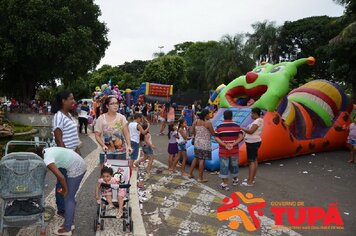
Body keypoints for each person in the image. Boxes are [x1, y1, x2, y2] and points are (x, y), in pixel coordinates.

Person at [35, 146, 86, 236]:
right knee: (69, 197)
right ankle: (70, 223)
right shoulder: (46, 151)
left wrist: (65, 190)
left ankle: (67, 229)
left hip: (77, 168)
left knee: (68, 197)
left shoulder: (47, 160)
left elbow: (61, 177)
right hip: (78, 163)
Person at [51, 91, 80, 218]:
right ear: (63, 101)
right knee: (62, 182)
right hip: (63, 156)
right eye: (71, 99)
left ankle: (67, 202)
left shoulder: (69, 115)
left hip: (72, 154)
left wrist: (78, 153)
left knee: (69, 181)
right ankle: (62, 208)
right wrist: (66, 156)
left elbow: (74, 136)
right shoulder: (59, 116)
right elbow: (58, 139)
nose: (73, 101)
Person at [94, 96, 132, 169]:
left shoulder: (121, 117)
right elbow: (97, 135)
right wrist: (103, 145)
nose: (115, 105)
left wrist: (129, 145)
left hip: (121, 151)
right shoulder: (101, 118)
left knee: (119, 174)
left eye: (117, 103)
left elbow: (126, 133)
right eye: (112, 103)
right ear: (107, 106)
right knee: (106, 176)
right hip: (106, 152)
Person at [215, 110, 244, 190]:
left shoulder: (219, 127)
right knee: (234, 165)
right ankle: (235, 180)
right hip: (234, 150)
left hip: (223, 151)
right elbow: (241, 137)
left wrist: (225, 145)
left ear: (223, 116)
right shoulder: (237, 126)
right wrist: (233, 144)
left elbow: (216, 137)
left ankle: (225, 184)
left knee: (224, 167)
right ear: (232, 116)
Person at [189, 109, 215, 183]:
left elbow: (192, 131)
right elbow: (213, 133)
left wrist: (198, 135)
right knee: (202, 160)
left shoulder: (196, 121)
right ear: (205, 115)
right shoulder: (208, 123)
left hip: (197, 141)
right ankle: (200, 178)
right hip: (205, 143)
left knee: (196, 157)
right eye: (208, 114)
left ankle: (190, 173)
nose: (209, 115)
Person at [241, 107, 264, 187]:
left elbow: (251, 131)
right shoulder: (258, 121)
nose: (251, 115)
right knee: (254, 160)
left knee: (251, 162)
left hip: (252, 142)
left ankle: (250, 182)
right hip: (254, 142)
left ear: (255, 113)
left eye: (252, 113)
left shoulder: (258, 121)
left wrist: (242, 128)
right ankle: (251, 179)